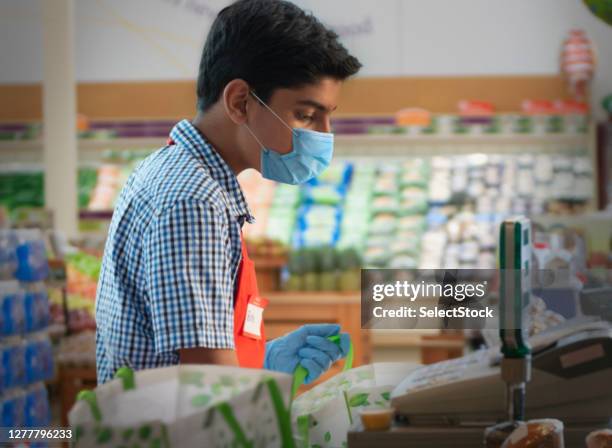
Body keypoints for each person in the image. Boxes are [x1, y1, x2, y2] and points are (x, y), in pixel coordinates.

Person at [95, 0, 361, 385]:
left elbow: (190, 359)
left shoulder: (178, 171)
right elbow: (209, 388)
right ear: (240, 102)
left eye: (327, 116)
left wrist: (264, 361)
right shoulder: (193, 201)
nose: (323, 134)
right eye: (305, 115)